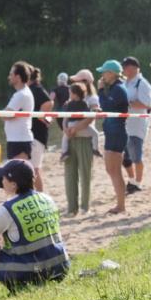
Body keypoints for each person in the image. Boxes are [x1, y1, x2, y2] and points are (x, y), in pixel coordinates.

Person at [0, 159, 69, 300]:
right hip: (59, 269)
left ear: (13, 185)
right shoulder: (47, 199)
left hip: (29, 276)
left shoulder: (9, 208)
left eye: (3, 178)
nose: (1, 181)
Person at [96, 60, 130, 215]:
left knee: (114, 170)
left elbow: (107, 107)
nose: (102, 76)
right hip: (114, 132)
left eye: (104, 72)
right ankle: (120, 204)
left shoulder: (118, 88)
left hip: (116, 133)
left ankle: (121, 205)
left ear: (112, 73)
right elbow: (109, 107)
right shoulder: (117, 88)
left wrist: (100, 91)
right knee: (113, 170)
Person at [121, 56, 151, 195]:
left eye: (126, 67)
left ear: (134, 68)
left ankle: (138, 183)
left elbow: (147, 104)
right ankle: (132, 180)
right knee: (125, 157)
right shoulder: (125, 82)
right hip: (125, 124)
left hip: (137, 125)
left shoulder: (142, 83)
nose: (124, 69)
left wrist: (128, 103)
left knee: (136, 156)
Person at [61, 84, 95, 217]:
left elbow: (90, 118)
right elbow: (64, 119)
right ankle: (71, 208)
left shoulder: (91, 101)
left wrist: (76, 129)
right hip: (70, 140)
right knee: (70, 175)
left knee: (85, 174)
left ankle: (85, 207)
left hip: (84, 140)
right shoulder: (68, 104)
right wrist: (65, 130)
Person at [63, 69, 102, 159]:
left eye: (77, 81)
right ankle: (64, 152)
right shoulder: (72, 97)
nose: (74, 83)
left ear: (85, 82)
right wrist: (65, 128)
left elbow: (90, 118)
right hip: (71, 135)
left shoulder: (92, 98)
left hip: (85, 139)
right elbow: (66, 115)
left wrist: (74, 129)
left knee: (84, 171)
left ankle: (95, 149)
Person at [27, 67, 53, 191]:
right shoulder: (34, 89)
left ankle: (40, 195)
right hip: (36, 133)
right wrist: (46, 119)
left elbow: (49, 103)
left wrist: (43, 118)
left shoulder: (36, 89)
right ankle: (37, 193)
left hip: (36, 134)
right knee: (33, 167)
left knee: (34, 168)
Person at [2, 61, 34, 160]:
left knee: (16, 174)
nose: (9, 77)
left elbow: (5, 115)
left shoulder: (21, 95)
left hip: (19, 140)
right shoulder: (22, 93)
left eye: (11, 74)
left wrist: (6, 113)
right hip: (17, 139)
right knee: (16, 173)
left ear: (18, 77)